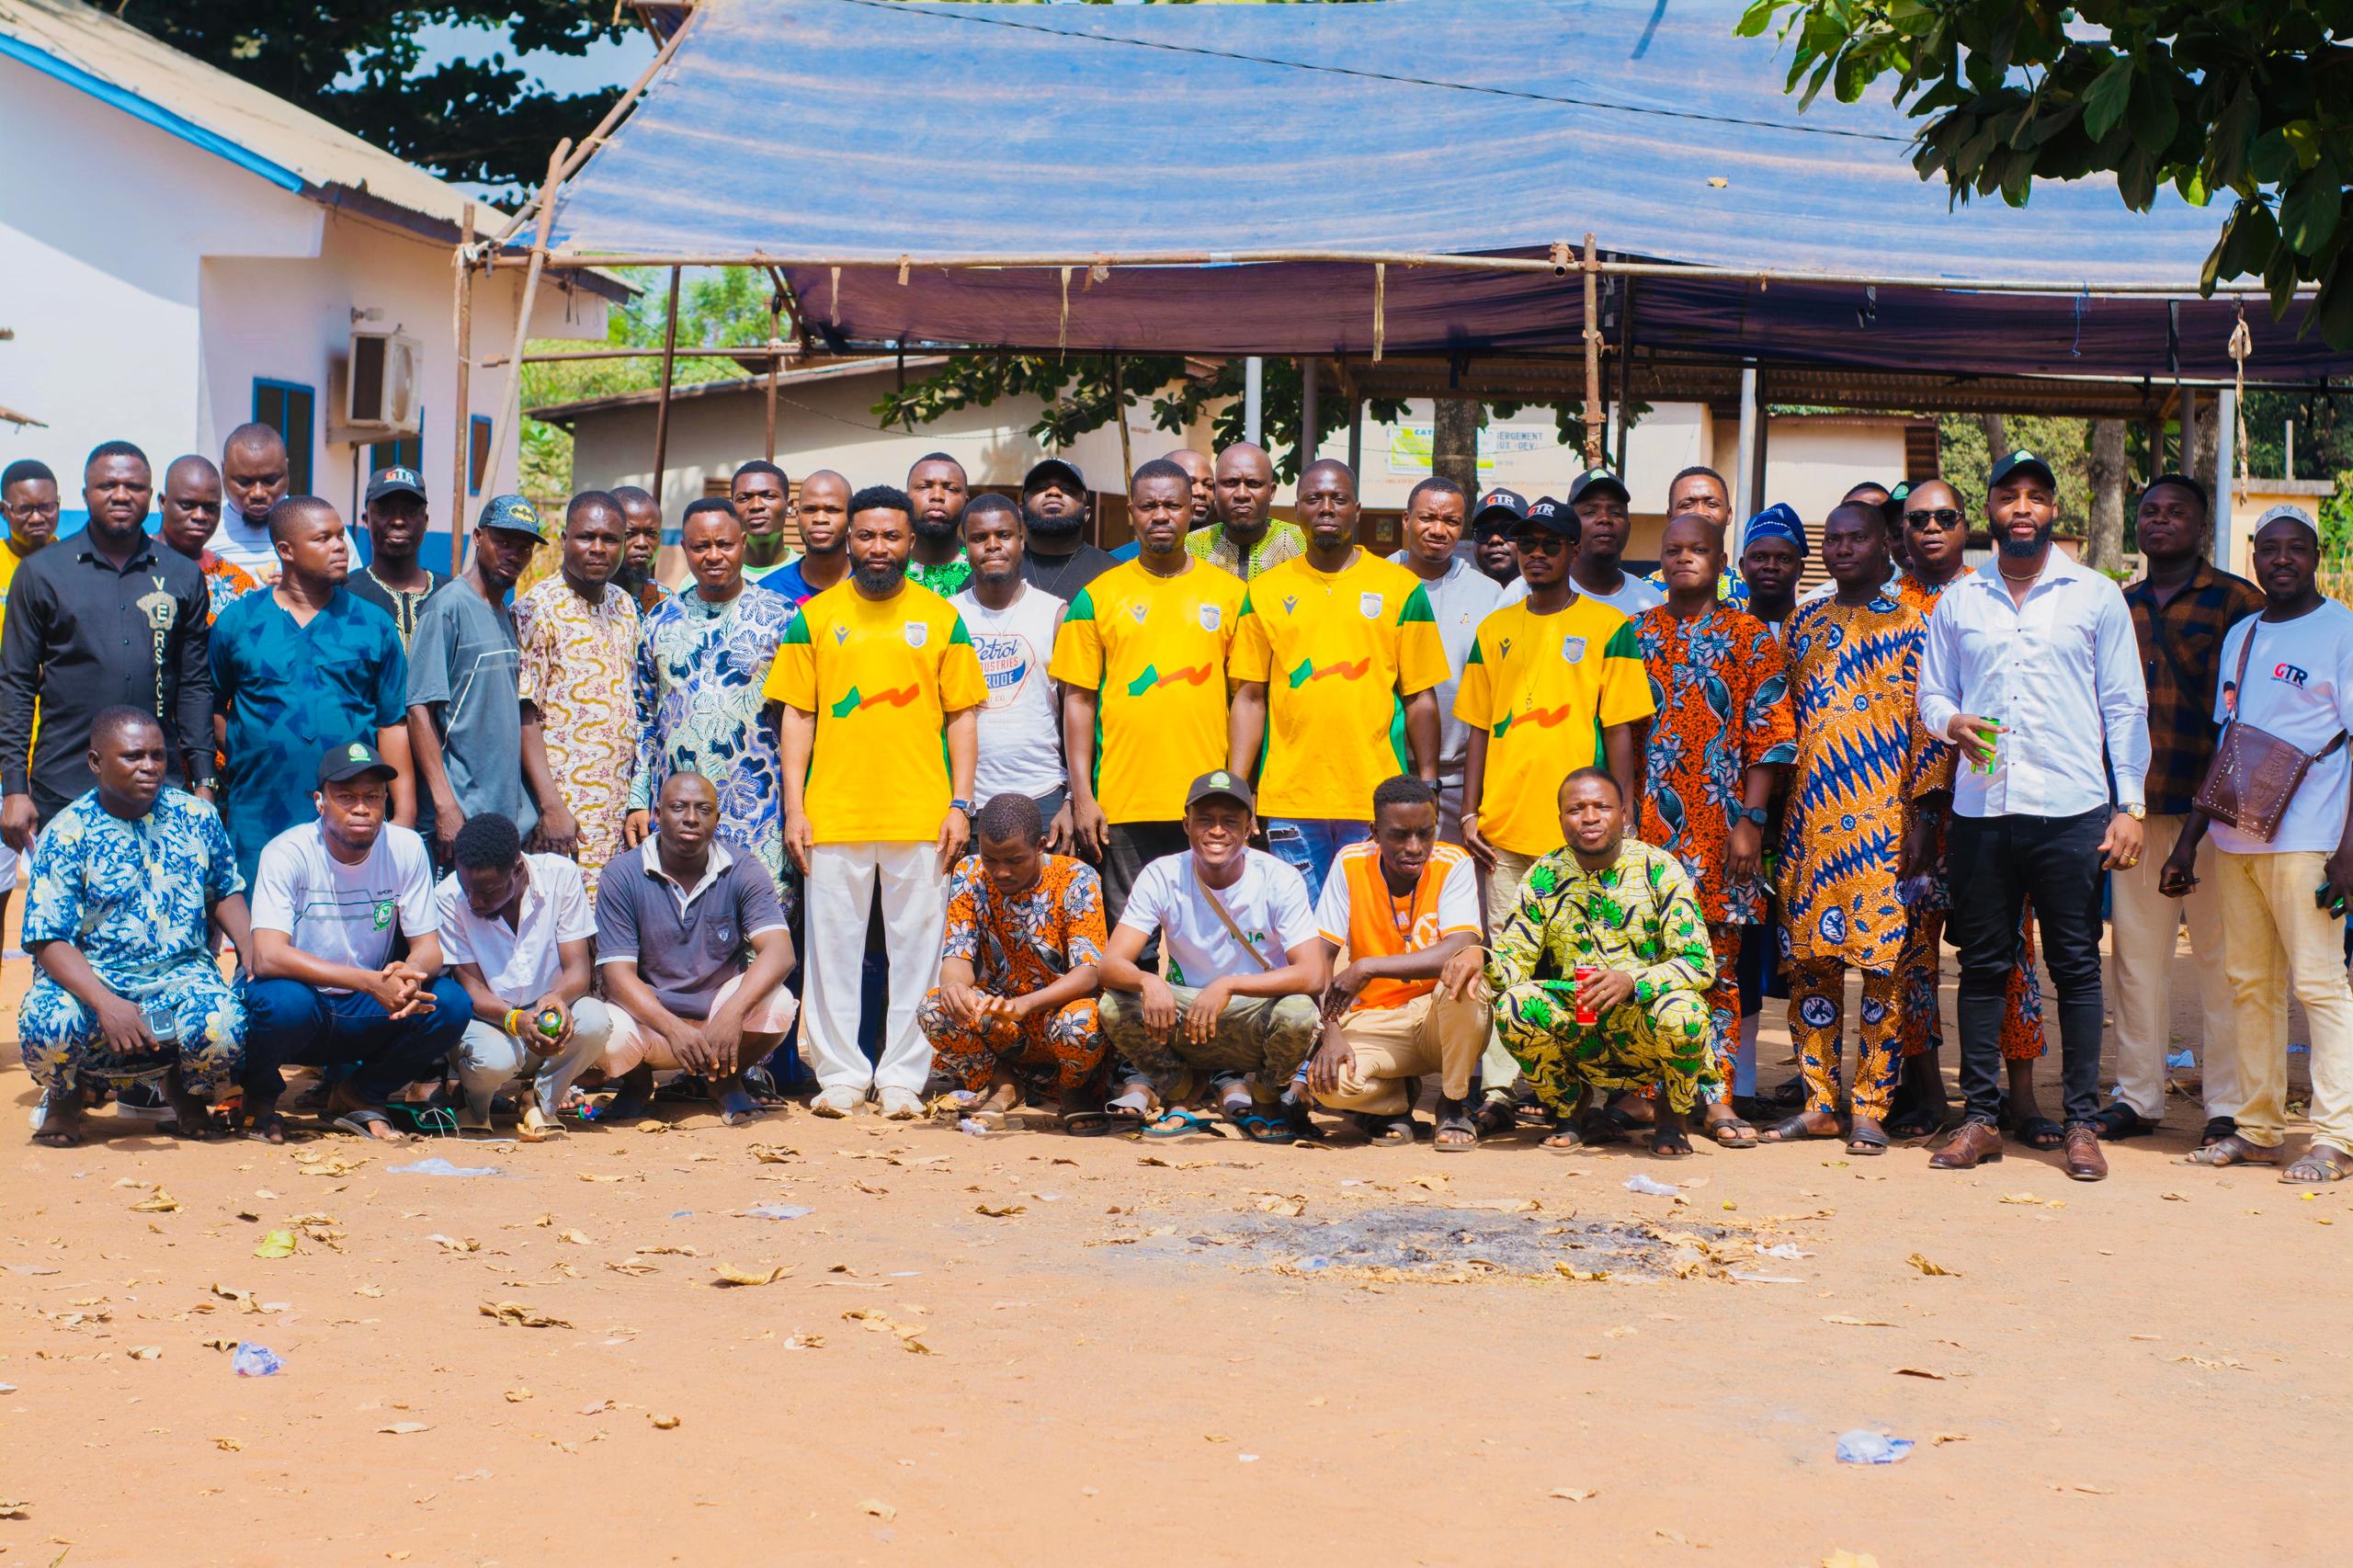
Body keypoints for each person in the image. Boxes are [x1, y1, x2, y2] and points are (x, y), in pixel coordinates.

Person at [1917, 450, 2149, 1180]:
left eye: (2036, 496)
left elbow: (2124, 704)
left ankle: (2082, 1123)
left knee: (2076, 968)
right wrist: (1951, 724)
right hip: (1983, 810)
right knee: (1982, 968)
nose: (2022, 507)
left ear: (2055, 511)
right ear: (1989, 510)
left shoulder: (2094, 596)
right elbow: (1930, 696)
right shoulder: (1961, 600)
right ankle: (1982, 1118)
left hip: (2072, 808)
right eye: (2008, 495)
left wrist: (2130, 805)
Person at [771, 483, 984, 1118]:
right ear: (849, 538)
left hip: (921, 813)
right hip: (833, 814)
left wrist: (960, 804)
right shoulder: (815, 616)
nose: (878, 547)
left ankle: (901, 1079)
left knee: (916, 954)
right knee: (831, 952)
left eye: (891, 535)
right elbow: (798, 717)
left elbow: (963, 719)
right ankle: (837, 1076)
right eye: (866, 535)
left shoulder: (942, 616)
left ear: (911, 541)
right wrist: (795, 808)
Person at [2167, 506, 2353, 1181]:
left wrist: (2348, 849)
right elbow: (2231, 744)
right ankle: (2259, 1127)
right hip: (2236, 840)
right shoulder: (2243, 635)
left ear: (2315, 555)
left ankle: (2336, 1137)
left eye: (2295, 549)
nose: (2281, 559)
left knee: (2321, 987)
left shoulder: (2342, 632)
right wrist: (2189, 841)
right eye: (2269, 549)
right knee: (2251, 985)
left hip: (2311, 840)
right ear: (2253, 556)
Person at [1891, 478, 2055, 1142]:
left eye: (1945, 517)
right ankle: (1930, 1095)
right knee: (1914, 955)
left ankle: (2021, 1097)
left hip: (1993, 803)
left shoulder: (1992, 592)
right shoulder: (1879, 608)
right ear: (1900, 531)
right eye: (1917, 519)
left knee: (2010, 954)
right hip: (1905, 814)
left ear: (1970, 523)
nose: (1931, 528)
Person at [2100, 474, 2263, 1146]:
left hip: (2221, 817)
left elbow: (2253, 721)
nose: (2159, 522)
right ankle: (2138, 1097)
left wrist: (2215, 815)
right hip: (2137, 809)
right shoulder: (2117, 606)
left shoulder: (2240, 603)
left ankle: (2227, 1104)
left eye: (2176, 513)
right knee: (2137, 960)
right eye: (2149, 513)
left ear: (2202, 527)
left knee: (2225, 961)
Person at [1762, 502, 1927, 1156]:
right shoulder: (1802, 622)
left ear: (1886, 543)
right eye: (1832, 540)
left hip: (1887, 826)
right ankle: (1821, 1102)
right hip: (1810, 826)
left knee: (1885, 972)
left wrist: (1926, 817)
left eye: (1856, 537)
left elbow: (1930, 728)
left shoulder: (1915, 625)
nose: (1842, 549)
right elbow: (1781, 722)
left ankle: (1870, 1107)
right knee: (1812, 970)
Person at [1633, 513, 1795, 1147]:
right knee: (1649, 961)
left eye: (1697, 549)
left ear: (1719, 556)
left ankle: (1717, 1096)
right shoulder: (1636, 634)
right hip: (1649, 830)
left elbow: (1769, 737)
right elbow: (1619, 732)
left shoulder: (1750, 635)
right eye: (1673, 549)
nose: (1683, 559)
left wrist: (1751, 821)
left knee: (1720, 969)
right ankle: (1651, 1094)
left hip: (1724, 832)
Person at [18, 708, 250, 1146]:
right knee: (47, 1023)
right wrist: (107, 1003)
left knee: (223, 1024)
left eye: (158, 755)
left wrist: (251, 952)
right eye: (133, 756)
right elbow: (48, 939)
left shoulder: (197, 817)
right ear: (95, 763)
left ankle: (184, 1092)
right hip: (93, 986)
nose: (149, 766)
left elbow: (225, 889)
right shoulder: (67, 832)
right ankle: (65, 1097)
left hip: (179, 979)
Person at [1227, 458, 1448, 894]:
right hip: (1291, 798)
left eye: (1338, 498)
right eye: (1314, 498)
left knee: (1370, 933)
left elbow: (1420, 697)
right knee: (1303, 935)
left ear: (1358, 509)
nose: (1326, 507)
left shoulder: (1401, 588)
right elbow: (1250, 697)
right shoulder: (1265, 591)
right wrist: (1238, 785)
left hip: (1377, 798)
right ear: (1297, 510)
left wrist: (1427, 782)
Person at [240, 741, 469, 1143]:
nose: (361, 808)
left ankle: (362, 1093)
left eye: (372, 797)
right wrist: (367, 981)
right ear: (320, 802)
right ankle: (260, 1099)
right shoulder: (287, 852)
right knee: (278, 1004)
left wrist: (410, 974)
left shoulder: (407, 847)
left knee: (448, 1003)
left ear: (385, 802)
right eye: (346, 797)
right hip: (306, 1008)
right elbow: (268, 956)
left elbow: (429, 948)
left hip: (368, 1007)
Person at [1051, 459, 1247, 919]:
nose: (1161, 515)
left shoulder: (1231, 595)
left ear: (1192, 510)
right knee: (1131, 940)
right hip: (1121, 803)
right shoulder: (1097, 596)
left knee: (1206, 936)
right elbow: (1077, 701)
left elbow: (1247, 699)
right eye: (1149, 506)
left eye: (1172, 505)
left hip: (1207, 800)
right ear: (1131, 514)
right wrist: (1083, 797)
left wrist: (1237, 788)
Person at [1488, 768, 1713, 1155]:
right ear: (1560, 820)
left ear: (1624, 815)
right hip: (1579, 1028)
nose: (1589, 817)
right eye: (1576, 809)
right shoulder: (1543, 875)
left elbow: (1699, 963)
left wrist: (1633, 981)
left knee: (1686, 1014)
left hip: (1645, 1025)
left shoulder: (1659, 869)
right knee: (1514, 1006)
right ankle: (1569, 1106)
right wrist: (1480, 961)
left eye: (1601, 807)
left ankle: (1672, 1112)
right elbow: (1514, 964)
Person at [1096, 769, 1324, 1141]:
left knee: (1299, 1012)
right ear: (1186, 824)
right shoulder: (1162, 874)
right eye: (1205, 820)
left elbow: (1313, 975)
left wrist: (1230, 985)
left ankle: (1266, 1096)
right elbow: (1110, 965)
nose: (1217, 831)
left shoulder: (1279, 878)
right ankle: (1180, 1089)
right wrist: (1147, 980)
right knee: (1113, 1005)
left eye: (1230, 821)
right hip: (1185, 1015)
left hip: (1253, 1013)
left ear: (1251, 827)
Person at [0, 441, 212, 838]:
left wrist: (203, 779)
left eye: (133, 486)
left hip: (158, 790)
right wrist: (13, 786)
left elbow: (195, 684)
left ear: (151, 496)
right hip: (65, 787)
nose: (120, 494)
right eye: (107, 485)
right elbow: (16, 684)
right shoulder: (41, 573)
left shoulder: (182, 575)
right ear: (85, 494)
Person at [1457, 497, 1652, 909]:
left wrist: (1625, 816)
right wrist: (1469, 813)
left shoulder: (1609, 627)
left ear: (1574, 550)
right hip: (1503, 831)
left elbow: (1620, 730)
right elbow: (1478, 725)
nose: (1537, 554)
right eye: (1527, 544)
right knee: (1510, 961)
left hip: (1582, 828)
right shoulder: (1493, 628)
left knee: (1577, 960)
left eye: (1551, 545)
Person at [210, 496, 412, 886]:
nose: (340, 546)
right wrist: (247, 752)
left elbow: (392, 723)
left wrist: (402, 815)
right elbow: (213, 705)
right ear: (285, 550)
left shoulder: (373, 624)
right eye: (324, 538)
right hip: (259, 814)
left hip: (352, 815)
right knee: (261, 935)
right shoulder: (238, 622)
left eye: (341, 535)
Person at [595, 772, 798, 1126]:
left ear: (717, 819)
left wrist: (731, 1013)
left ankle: (722, 1082)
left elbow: (780, 952)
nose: (691, 817)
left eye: (704, 809)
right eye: (678, 807)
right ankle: (637, 1085)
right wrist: (673, 1028)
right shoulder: (622, 874)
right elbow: (616, 977)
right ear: (657, 814)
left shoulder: (741, 869)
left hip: (719, 1020)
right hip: (654, 1021)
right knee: (603, 1030)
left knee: (778, 1004)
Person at [1302, 777, 1487, 1148]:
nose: (1415, 847)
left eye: (1425, 833)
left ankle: (1451, 1104)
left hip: (1438, 1015)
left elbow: (1459, 944)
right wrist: (1331, 1031)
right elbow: (1321, 956)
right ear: (1375, 832)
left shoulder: (1453, 862)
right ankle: (1396, 1101)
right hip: (1377, 1017)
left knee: (1468, 981)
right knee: (1329, 1083)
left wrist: (1367, 967)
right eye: (1400, 835)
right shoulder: (1351, 863)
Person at [629, 496, 797, 890]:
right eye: (701, 547)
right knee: (678, 926)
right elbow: (643, 718)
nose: (714, 555)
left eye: (724, 544)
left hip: (760, 812)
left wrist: (798, 807)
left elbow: (801, 718)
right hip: (677, 818)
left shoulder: (782, 617)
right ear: (685, 549)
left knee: (762, 926)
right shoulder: (659, 621)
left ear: (742, 542)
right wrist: (639, 798)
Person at [917, 792, 1109, 1127]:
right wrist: (952, 986)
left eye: (1015, 860)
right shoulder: (969, 873)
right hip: (1003, 1020)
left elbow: (1089, 974)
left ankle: (1073, 1091)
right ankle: (1003, 1084)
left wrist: (1025, 1005)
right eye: (991, 859)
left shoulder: (1078, 878)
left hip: (1060, 1017)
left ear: (1040, 844)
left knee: (1081, 1023)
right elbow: (958, 955)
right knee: (935, 1008)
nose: (1001, 872)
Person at [436, 812, 608, 1137]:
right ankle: (475, 1107)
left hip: (546, 1018)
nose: (474, 901)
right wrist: (517, 1021)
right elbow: (471, 990)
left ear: (517, 870)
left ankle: (540, 1102)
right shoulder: (448, 897)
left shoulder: (561, 875)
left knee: (596, 1020)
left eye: (487, 891)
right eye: (467, 887)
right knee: (493, 1060)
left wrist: (557, 998)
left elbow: (577, 969)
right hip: (489, 1022)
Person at [514, 491, 641, 898]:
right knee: (561, 929)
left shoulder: (624, 605)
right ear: (565, 538)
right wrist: (551, 807)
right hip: (564, 810)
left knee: (609, 930)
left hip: (617, 809)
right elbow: (524, 713)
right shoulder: (536, 609)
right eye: (586, 537)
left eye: (610, 539)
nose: (598, 549)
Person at [408, 494, 546, 865]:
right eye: (503, 542)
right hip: (462, 817)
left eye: (524, 547)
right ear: (478, 538)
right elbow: (419, 709)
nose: (513, 554)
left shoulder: (506, 614)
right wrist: (444, 804)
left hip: (504, 821)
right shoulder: (447, 608)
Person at [1389, 476, 1501, 842]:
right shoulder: (1376, 583)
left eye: (1451, 521)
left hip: (1463, 783)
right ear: (1406, 520)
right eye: (1427, 518)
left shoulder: (1488, 594)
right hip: (1388, 771)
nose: (1439, 530)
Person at [952, 494, 1070, 834]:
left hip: (1044, 792)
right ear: (966, 545)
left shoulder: (1054, 614)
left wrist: (1072, 798)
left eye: (1003, 535)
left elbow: (1077, 710)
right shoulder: (948, 616)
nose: (992, 546)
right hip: (967, 800)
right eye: (978, 538)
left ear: (1022, 539)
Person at [0, 458, 63, 937]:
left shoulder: (78, 564)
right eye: (26, 509)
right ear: (5, 510)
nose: (37, 518)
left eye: (47, 508)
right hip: (7, 752)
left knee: (64, 893)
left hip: (59, 756)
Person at [346, 467, 447, 647]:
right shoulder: (345, 594)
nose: (398, 521)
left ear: (426, 521)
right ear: (366, 520)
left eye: (411, 512)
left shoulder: (449, 595)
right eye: (384, 512)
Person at [156, 456, 258, 621]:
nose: (200, 516)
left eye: (210, 507)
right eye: (187, 505)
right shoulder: (131, 564)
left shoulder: (237, 584)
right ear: (163, 502)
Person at [1188, 442, 1304, 580]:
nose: (1242, 494)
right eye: (1230, 483)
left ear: (1271, 492)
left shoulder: (1303, 546)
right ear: (1215, 490)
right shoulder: (1189, 549)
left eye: (1254, 484)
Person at [1639, 467, 1749, 608]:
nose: (1700, 512)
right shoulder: (1645, 595)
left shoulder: (1750, 592)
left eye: (1712, 504)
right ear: (1670, 517)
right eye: (1687, 505)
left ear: (1729, 515)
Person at [1563, 468, 1663, 617]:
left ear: (1629, 528)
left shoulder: (1651, 602)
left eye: (1615, 512)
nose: (1604, 519)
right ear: (1569, 524)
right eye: (1590, 512)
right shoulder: (1531, 594)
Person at [1019, 456, 1116, 599]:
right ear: (1021, 510)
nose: (1054, 492)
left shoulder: (1112, 573)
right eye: (1040, 488)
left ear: (1087, 514)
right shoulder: (997, 568)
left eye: (1068, 489)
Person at [762, 470, 851, 608]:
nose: (819, 519)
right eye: (810, 509)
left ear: (851, 516)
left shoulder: (874, 585)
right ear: (797, 516)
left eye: (832, 510)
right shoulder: (768, 592)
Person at [214, 423, 290, 584]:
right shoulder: (201, 531)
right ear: (223, 471)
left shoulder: (320, 527)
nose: (258, 493)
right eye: (244, 482)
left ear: (287, 470)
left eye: (270, 480)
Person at [905, 452, 973, 597]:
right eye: (924, 487)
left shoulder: (980, 570)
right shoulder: (887, 568)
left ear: (965, 504)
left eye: (951, 489)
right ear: (906, 499)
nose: (937, 496)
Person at [1738, 505, 1805, 640]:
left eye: (1784, 559)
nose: (1771, 566)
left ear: (1800, 569)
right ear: (1742, 566)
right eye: (1759, 557)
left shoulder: (1819, 634)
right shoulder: (1724, 634)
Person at [730, 460, 797, 586]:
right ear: (731, 509)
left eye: (769, 496)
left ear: (789, 506)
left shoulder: (810, 574)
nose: (756, 505)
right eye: (744, 498)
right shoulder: (702, 581)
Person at [612, 485, 670, 613]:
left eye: (651, 534)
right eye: (630, 534)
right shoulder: (587, 600)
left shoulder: (666, 602)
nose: (642, 543)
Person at [1469, 487, 1526, 590]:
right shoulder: (1459, 598)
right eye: (1484, 531)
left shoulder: (1550, 600)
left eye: (1508, 530)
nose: (1495, 539)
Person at [1165, 447, 1215, 529]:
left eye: (1208, 485)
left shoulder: (1227, 541)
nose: (1201, 492)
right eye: (1189, 483)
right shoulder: (1143, 543)